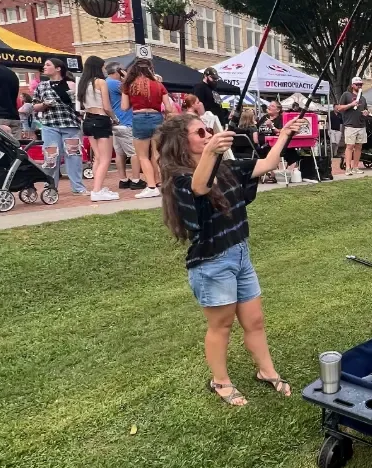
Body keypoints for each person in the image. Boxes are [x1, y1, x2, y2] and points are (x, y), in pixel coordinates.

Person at [155, 113, 305, 405]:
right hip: (211, 263)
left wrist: (285, 134)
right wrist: (212, 151)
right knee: (221, 326)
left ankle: (267, 372)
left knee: (255, 321)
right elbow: (199, 187)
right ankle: (220, 381)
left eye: (208, 129)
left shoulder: (225, 168)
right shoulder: (180, 179)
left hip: (240, 254)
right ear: (181, 142)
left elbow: (267, 164)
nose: (208, 134)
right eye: (200, 132)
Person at [121, 58, 176, 199]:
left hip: (139, 118)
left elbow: (124, 107)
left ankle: (151, 186)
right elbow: (169, 108)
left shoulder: (129, 85)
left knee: (142, 156)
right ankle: (159, 182)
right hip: (157, 118)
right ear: (150, 69)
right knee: (156, 154)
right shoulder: (159, 85)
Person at [32, 58, 86, 194]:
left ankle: (78, 187)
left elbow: (80, 106)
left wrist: (74, 100)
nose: (44, 67)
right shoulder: (42, 86)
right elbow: (34, 106)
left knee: (73, 156)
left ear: (58, 68)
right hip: (50, 124)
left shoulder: (71, 84)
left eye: (48, 65)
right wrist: (44, 105)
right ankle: (50, 187)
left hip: (70, 124)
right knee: (51, 157)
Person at [77, 55, 118, 202]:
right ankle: (97, 190)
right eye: (102, 66)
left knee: (98, 158)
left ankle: (97, 187)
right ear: (98, 67)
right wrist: (114, 118)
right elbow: (107, 106)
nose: (104, 69)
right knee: (106, 158)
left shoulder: (83, 82)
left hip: (88, 119)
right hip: (101, 119)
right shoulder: (101, 82)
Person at [105, 62, 143, 190]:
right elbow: (133, 91)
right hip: (125, 121)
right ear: (118, 71)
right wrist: (126, 77)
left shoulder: (105, 82)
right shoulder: (116, 84)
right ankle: (136, 179)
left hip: (115, 122)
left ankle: (123, 179)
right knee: (134, 153)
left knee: (120, 153)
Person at [335, 75, 369, 177]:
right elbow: (339, 108)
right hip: (350, 125)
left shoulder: (363, 98)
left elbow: (366, 109)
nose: (359, 86)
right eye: (357, 84)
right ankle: (348, 168)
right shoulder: (346, 95)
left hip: (361, 125)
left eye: (360, 84)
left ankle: (355, 167)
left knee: (359, 146)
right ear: (352, 85)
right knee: (350, 146)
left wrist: (366, 112)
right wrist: (351, 104)